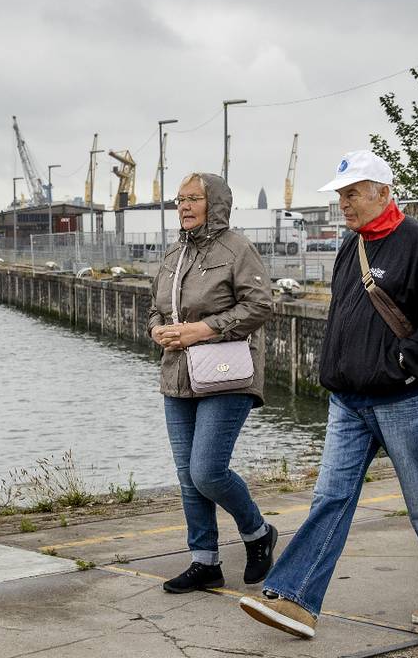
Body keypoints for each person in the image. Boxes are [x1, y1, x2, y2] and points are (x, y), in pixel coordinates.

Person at [239, 150, 418, 638]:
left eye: (353, 193)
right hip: (348, 399)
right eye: (340, 195)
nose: (343, 203)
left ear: (383, 194)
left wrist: (405, 366)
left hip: (404, 399)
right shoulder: (352, 245)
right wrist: (337, 370)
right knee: (330, 498)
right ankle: (296, 599)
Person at [147, 172, 277, 594]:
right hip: (177, 376)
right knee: (188, 476)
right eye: (179, 200)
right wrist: (157, 331)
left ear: (215, 203)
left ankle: (257, 533)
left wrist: (201, 330)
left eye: (193, 199)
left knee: (206, 471)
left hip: (227, 377)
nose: (183, 206)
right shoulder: (173, 255)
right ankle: (205, 561)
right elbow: (156, 308)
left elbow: (260, 305)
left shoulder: (238, 248)